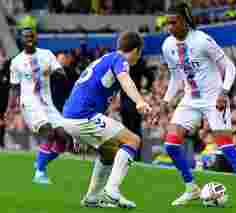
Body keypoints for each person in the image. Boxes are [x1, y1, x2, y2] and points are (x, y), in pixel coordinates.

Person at [159, 2, 236, 208]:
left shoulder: (203, 40)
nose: (170, 27)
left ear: (185, 21)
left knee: (226, 147)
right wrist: (166, 101)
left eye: (174, 22)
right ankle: (191, 188)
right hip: (190, 99)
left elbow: (229, 67)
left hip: (214, 98)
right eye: (167, 23)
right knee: (170, 145)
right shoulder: (167, 45)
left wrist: (224, 92)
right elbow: (176, 78)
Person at [62, 31, 151, 209]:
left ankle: (92, 198)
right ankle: (112, 191)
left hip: (72, 115)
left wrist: (75, 133)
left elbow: (84, 89)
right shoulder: (120, 60)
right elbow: (126, 81)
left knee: (109, 151)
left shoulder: (105, 59)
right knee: (133, 140)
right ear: (135, 50)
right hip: (82, 115)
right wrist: (140, 101)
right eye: (139, 53)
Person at [6, 27, 71, 184]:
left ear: (36, 38)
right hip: (29, 102)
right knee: (48, 132)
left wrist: (52, 71)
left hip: (47, 103)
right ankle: (39, 173)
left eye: (31, 36)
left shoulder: (47, 55)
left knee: (64, 138)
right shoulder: (16, 62)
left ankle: (41, 162)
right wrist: (10, 108)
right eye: (25, 37)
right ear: (21, 40)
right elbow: (14, 87)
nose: (29, 39)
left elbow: (62, 75)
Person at [120, 57, 154, 160]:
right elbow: (150, 76)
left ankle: (129, 155)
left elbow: (150, 76)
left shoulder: (123, 61)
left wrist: (146, 88)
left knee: (129, 129)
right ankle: (135, 155)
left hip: (128, 100)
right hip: (133, 100)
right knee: (134, 129)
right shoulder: (139, 61)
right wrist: (146, 88)